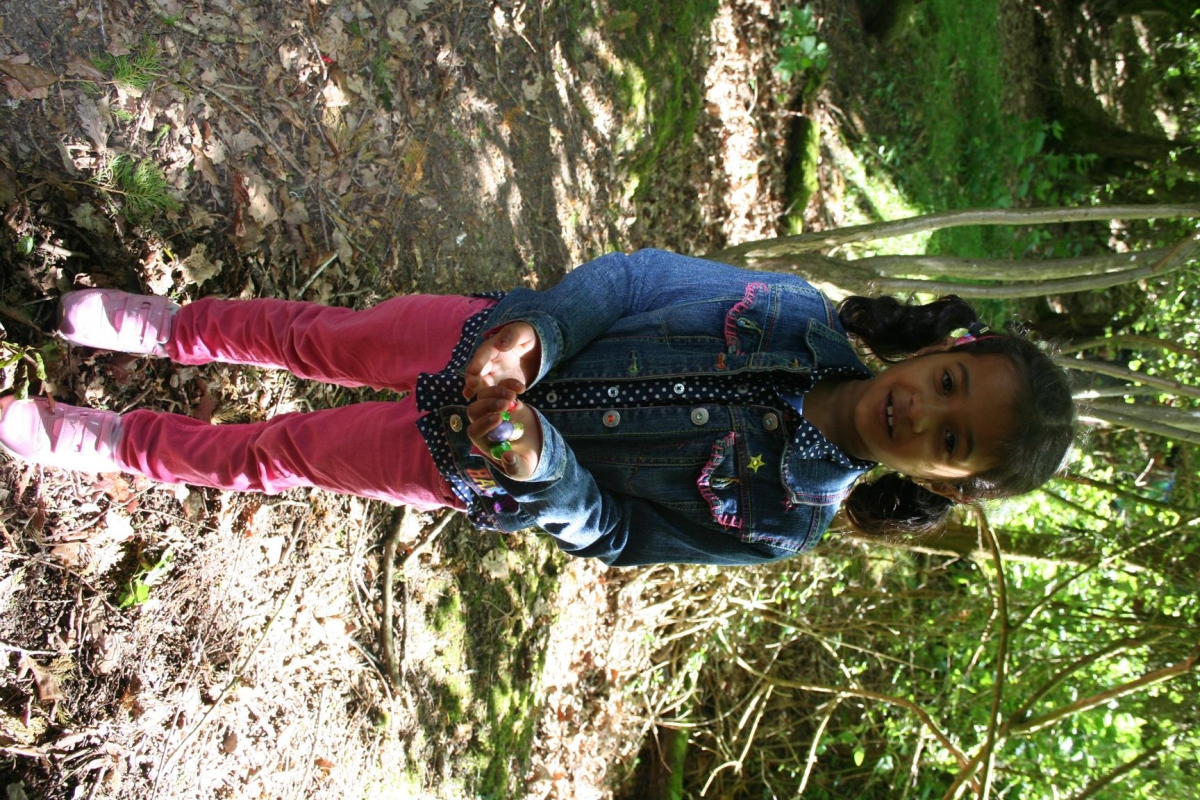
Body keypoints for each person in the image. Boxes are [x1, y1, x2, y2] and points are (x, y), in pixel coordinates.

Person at [0, 249, 1075, 566]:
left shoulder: (780, 521)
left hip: (462, 458)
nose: (919, 412)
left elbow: (619, 533)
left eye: (951, 440)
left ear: (948, 483)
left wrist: (539, 469)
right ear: (945, 347)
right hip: (477, 336)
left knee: (277, 456)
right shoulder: (790, 307)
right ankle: (166, 328)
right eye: (948, 384)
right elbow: (638, 279)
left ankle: (107, 440)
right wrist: (535, 335)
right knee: (315, 337)